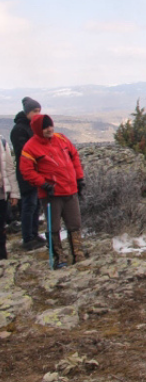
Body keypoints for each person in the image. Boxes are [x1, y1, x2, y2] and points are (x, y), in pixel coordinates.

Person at [19, 114, 86, 269]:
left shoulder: (61, 139)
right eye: (45, 127)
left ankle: (78, 254)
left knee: (75, 224)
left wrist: (79, 179)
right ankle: (58, 257)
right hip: (51, 194)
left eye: (50, 126)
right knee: (53, 227)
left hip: (70, 190)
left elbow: (74, 156)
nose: (49, 129)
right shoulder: (30, 147)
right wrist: (43, 184)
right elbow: (26, 170)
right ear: (37, 129)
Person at [10, 97, 46, 251]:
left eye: (39, 111)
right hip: (26, 172)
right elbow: (23, 152)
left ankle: (34, 233)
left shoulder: (33, 127)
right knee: (28, 204)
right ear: (27, 112)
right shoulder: (19, 129)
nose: (37, 114)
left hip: (37, 171)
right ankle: (27, 238)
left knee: (36, 203)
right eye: (34, 111)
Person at [0, 134, 21, 260]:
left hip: (1, 193)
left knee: (1, 228)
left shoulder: (2, 142)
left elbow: (9, 168)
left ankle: (2, 259)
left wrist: (14, 193)